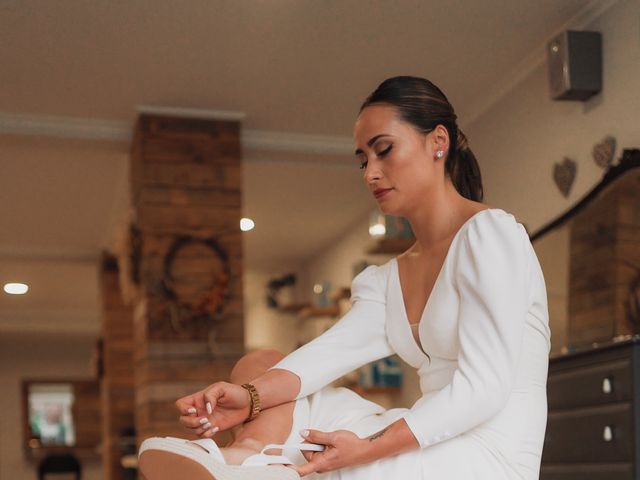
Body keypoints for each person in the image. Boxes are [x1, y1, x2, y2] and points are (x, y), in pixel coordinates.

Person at [139, 76, 551, 480]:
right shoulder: (389, 278)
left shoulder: (490, 234)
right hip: (425, 432)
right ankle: (248, 460)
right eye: (362, 159)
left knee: (343, 463)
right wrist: (248, 400)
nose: (370, 173)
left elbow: (485, 388)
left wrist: (367, 448)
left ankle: (263, 466)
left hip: (484, 456)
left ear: (437, 142)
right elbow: (326, 355)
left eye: (384, 150)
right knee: (260, 364)